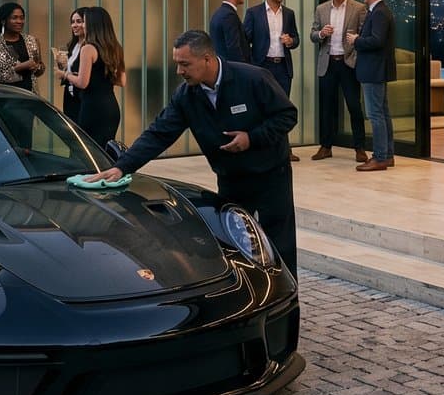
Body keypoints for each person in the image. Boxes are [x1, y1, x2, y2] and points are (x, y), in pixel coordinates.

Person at [87, 30, 298, 276]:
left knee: (279, 245)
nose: (179, 71)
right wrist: (122, 166)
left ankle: (286, 303)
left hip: (271, 175)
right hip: (231, 179)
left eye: (184, 64)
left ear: (207, 59)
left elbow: (287, 115)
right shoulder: (187, 95)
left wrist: (252, 138)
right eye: (177, 64)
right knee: (234, 244)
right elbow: (159, 133)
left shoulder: (253, 79)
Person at [311, 0, 369, 163]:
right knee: (326, 107)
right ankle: (326, 147)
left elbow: (364, 36)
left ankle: (359, 148)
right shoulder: (321, 9)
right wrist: (321, 34)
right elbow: (312, 34)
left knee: (354, 106)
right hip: (327, 63)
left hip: (348, 64)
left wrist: (356, 58)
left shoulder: (359, 8)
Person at [245, 0, 301, 161]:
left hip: (282, 67)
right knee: (260, 107)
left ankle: (284, 149)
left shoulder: (289, 13)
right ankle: (262, 147)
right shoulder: (254, 13)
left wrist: (291, 41)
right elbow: (246, 40)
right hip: (262, 66)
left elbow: (296, 39)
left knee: (282, 108)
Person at [58, 5, 124, 144]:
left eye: (84, 22)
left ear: (93, 24)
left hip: (92, 107)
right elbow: (121, 81)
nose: (83, 25)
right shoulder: (116, 47)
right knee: (106, 151)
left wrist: (65, 74)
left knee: (89, 151)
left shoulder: (88, 48)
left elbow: (83, 82)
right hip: (111, 106)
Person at [351, 0, 397, 171]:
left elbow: (377, 41)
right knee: (382, 113)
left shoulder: (378, 13)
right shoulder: (378, 11)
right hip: (376, 70)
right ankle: (386, 155)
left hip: (373, 70)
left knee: (375, 114)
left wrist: (356, 40)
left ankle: (380, 157)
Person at [56, 7, 88, 122]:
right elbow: (69, 70)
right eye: (72, 22)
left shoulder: (89, 47)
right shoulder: (72, 45)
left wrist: (64, 74)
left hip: (83, 96)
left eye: (79, 21)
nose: (74, 25)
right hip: (70, 96)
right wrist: (62, 64)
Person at [210, 0, 252, 64]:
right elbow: (233, 47)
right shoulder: (229, 15)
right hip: (232, 68)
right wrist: (243, 68)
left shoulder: (220, 13)